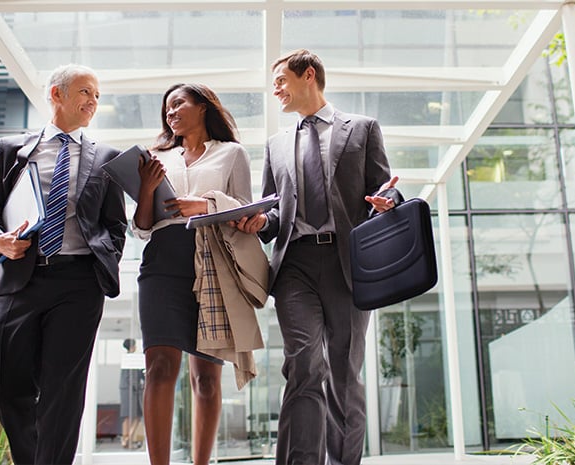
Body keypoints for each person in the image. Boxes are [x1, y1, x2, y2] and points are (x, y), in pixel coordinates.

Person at [233, 49, 400, 465]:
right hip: (295, 266)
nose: (275, 90)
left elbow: (386, 186)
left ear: (309, 75)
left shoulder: (361, 129)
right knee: (303, 365)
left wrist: (388, 201)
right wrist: (259, 222)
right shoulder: (275, 144)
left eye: (280, 81)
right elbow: (274, 212)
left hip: (348, 264)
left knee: (344, 372)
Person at [0, 64, 127, 465]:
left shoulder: (107, 158)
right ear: (56, 95)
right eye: (85, 92)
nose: (93, 101)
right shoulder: (12, 149)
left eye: (97, 95)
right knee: (7, 386)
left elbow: (116, 225)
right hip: (20, 278)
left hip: (79, 283)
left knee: (63, 392)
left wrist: (104, 259)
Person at [133, 83, 262, 465]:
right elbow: (141, 228)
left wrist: (204, 205)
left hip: (212, 264)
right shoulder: (156, 157)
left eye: (178, 104)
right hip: (160, 265)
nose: (170, 113)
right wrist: (146, 189)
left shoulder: (232, 154)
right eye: (166, 109)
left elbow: (244, 211)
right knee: (158, 366)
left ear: (203, 106)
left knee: (206, 377)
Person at [120, 338, 144, 449]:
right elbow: (132, 376)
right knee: (137, 415)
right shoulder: (131, 358)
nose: (136, 347)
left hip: (127, 389)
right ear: (131, 347)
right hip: (131, 390)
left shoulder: (125, 358)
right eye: (134, 345)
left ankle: (126, 439)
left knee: (127, 416)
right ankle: (127, 439)